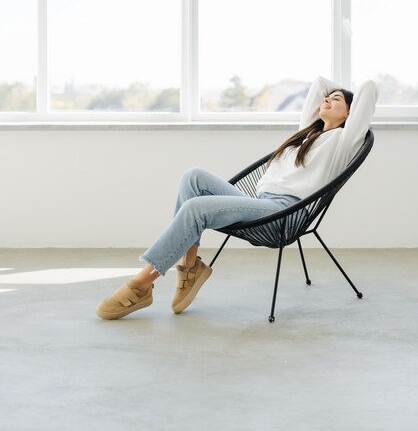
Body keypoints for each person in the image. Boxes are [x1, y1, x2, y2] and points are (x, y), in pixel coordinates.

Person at [96, 76, 378, 320]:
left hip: (283, 214)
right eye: (325, 99)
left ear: (351, 114)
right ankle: (190, 266)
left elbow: (369, 90)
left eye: (336, 99)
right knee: (193, 177)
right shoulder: (306, 134)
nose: (325, 100)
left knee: (196, 209)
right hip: (262, 203)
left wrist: (347, 98)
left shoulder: (343, 142)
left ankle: (142, 284)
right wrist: (333, 95)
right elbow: (320, 83)